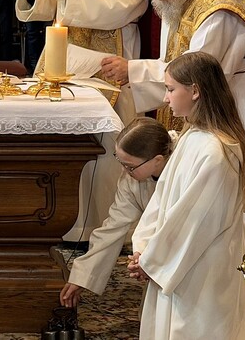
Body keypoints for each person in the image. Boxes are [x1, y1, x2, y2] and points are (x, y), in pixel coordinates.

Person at [98, 0, 245, 235]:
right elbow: (174, 60)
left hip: (236, 105)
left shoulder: (220, 4)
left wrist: (133, 70)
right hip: (208, 103)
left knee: (238, 197)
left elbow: (201, 72)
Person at [16, 0, 148, 240]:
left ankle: (99, 230)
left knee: (104, 155)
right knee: (63, 146)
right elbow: (47, 4)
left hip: (108, 69)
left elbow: (117, 8)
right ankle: (60, 222)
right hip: (64, 66)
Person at [129, 52, 245, 340]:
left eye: (170, 89)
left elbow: (193, 223)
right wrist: (143, 248)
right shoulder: (193, 136)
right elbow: (162, 200)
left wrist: (152, 261)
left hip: (200, 270)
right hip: (176, 260)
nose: (165, 98)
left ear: (195, 91)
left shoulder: (216, 153)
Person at [59, 118, 172, 308]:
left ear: (157, 160)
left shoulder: (183, 171)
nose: (124, 170)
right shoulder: (132, 179)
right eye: (120, 162)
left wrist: (147, 254)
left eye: (129, 165)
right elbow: (114, 226)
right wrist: (82, 276)